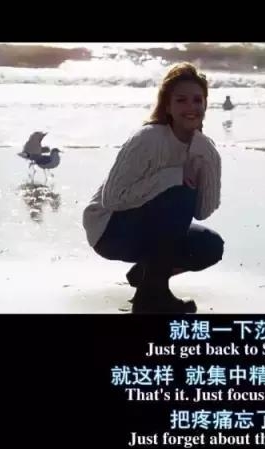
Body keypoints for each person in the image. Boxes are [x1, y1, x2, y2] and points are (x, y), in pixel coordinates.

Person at [83, 62, 223, 313]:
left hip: (152, 229)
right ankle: (153, 296)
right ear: (167, 106)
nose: (191, 107)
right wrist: (175, 175)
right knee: (179, 195)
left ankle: (148, 277)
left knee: (210, 246)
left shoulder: (205, 149)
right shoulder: (148, 138)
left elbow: (202, 211)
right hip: (109, 230)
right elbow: (112, 199)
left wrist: (207, 163)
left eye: (197, 100)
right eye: (181, 100)